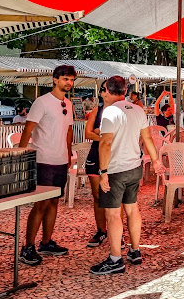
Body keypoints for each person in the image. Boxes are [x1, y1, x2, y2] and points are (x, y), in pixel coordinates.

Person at [90, 76, 165, 275]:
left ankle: (115, 259)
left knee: (113, 214)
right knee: (132, 209)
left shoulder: (110, 112)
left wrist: (103, 172)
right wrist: (156, 160)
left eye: (103, 90)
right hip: (134, 167)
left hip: (115, 169)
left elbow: (105, 143)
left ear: (107, 90)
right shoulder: (137, 109)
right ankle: (135, 250)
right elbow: (147, 137)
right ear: (124, 91)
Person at [19, 65, 76, 266]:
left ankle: (46, 242)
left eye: (71, 80)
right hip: (43, 159)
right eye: (65, 79)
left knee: (54, 202)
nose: (69, 83)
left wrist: (69, 155)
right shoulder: (41, 102)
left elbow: (69, 131)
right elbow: (28, 130)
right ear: (55, 79)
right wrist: (21, 156)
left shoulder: (68, 104)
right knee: (41, 204)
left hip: (60, 160)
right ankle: (27, 247)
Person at [84, 81, 110, 248]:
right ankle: (101, 230)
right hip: (95, 156)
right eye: (105, 89)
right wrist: (104, 137)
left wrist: (99, 133)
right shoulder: (97, 111)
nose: (107, 92)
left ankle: (118, 232)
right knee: (97, 196)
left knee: (116, 198)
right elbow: (88, 133)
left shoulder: (123, 110)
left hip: (114, 157)